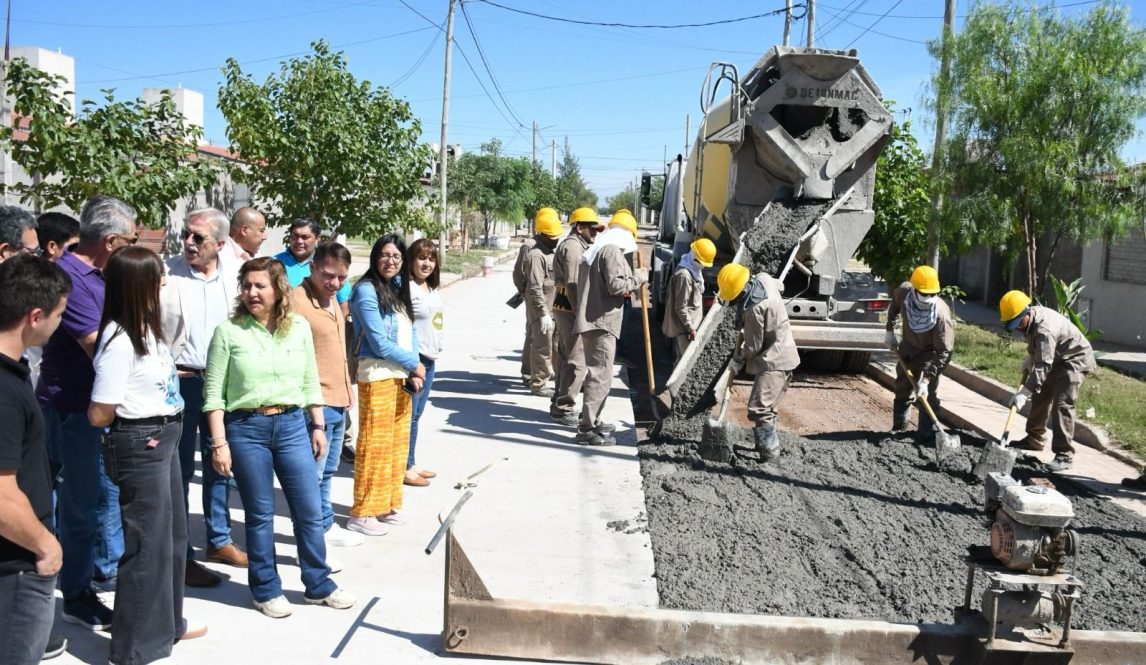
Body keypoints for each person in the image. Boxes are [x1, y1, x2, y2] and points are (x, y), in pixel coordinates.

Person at [203, 257, 355, 618]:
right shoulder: (229, 332)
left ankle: (318, 584)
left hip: (292, 426)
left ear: (278, 290)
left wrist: (317, 425)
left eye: (260, 286)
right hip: (246, 429)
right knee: (259, 514)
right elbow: (213, 396)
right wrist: (219, 443)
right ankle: (266, 589)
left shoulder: (298, 327)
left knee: (307, 510)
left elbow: (308, 378)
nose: (252, 292)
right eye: (247, 286)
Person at [88, 246, 206, 664]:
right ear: (139, 284)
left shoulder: (148, 328)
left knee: (172, 537)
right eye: (157, 276)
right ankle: (134, 648)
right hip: (141, 442)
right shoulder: (120, 341)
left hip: (165, 435)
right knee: (146, 546)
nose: (164, 282)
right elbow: (100, 412)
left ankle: (166, 626)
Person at [37, 195, 134, 630]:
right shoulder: (71, 278)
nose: (133, 248)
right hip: (75, 407)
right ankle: (76, 593)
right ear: (111, 241)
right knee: (82, 502)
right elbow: (100, 347)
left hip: (93, 404)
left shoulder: (100, 274)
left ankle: (91, 569)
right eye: (130, 241)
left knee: (94, 497)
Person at [161, 208, 246, 588]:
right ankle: (180, 554)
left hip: (223, 385)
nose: (189, 243)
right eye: (186, 235)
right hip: (180, 383)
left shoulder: (235, 277)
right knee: (178, 470)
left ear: (221, 244)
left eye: (199, 238)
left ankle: (219, 539)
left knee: (220, 464)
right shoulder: (167, 274)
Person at [0, 255, 70, 665]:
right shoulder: (5, 392)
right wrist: (45, 547)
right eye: (59, 315)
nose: (61, 323)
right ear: (35, 315)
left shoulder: (14, 374)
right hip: (15, 565)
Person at [347, 234, 424, 537]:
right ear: (374, 257)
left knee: (395, 445)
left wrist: (414, 370)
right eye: (384, 254)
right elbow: (378, 342)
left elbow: (410, 333)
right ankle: (362, 512)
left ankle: (386, 504)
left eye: (396, 256)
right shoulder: (366, 291)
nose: (390, 261)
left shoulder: (397, 290)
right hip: (378, 374)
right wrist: (414, 364)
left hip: (402, 376)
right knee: (373, 446)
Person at [293, 242, 363, 550]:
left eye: (342, 278)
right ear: (312, 268)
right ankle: (310, 535)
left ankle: (324, 524)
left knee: (328, 471)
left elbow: (337, 348)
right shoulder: (296, 302)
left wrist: (348, 388)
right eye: (328, 275)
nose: (334, 283)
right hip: (314, 404)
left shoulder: (332, 300)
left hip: (338, 400)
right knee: (311, 475)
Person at [999, 290, 1096, 472]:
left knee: (1062, 403)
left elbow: (1043, 365)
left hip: (1074, 360)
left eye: (1018, 323)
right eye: (1013, 325)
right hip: (1056, 358)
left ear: (1025, 313)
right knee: (1041, 395)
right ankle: (1034, 439)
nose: (1018, 328)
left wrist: (1023, 394)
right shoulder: (1030, 319)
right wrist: (1030, 357)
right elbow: (1037, 347)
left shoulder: (1045, 329)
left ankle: (1064, 456)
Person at [572, 210, 646, 446]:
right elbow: (616, 287)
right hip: (602, 322)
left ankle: (594, 419)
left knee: (599, 375)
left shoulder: (595, 250)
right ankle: (587, 430)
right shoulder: (611, 251)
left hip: (593, 320)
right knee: (600, 377)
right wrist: (639, 278)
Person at [717, 264, 800, 460]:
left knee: (759, 408)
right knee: (768, 407)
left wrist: (737, 360)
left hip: (775, 361)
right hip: (785, 352)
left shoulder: (753, 309)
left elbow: (753, 346)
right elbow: (780, 286)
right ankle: (765, 445)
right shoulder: (762, 278)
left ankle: (769, 453)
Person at [884, 265, 955, 443]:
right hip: (907, 350)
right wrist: (890, 331)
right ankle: (899, 429)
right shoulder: (904, 292)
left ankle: (925, 434)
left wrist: (926, 379)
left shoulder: (941, 316)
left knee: (927, 395)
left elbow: (944, 352)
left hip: (929, 355)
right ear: (914, 289)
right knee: (902, 388)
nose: (928, 297)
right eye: (924, 293)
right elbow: (894, 307)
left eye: (932, 294)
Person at [550, 208, 602, 427]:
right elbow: (573, 284)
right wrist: (580, 313)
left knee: (566, 357)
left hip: (565, 307)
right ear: (580, 227)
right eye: (592, 229)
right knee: (576, 361)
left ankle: (558, 402)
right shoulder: (573, 247)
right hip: (570, 308)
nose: (595, 233)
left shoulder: (577, 245)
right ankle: (564, 407)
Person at [404, 238, 442, 487]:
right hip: (415, 361)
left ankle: (411, 461)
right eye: (421, 258)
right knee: (407, 416)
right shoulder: (407, 288)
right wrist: (410, 364)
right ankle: (404, 467)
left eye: (430, 258)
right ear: (411, 261)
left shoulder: (430, 287)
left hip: (430, 359)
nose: (426, 263)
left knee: (416, 416)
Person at [523, 211, 564, 398]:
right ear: (541, 235)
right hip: (542, 312)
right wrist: (542, 313)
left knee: (555, 347)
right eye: (552, 237)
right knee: (542, 348)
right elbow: (534, 287)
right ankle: (538, 383)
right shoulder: (536, 256)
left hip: (554, 309)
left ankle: (554, 378)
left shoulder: (552, 253)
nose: (556, 240)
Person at [513, 208, 555, 386]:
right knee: (534, 337)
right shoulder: (530, 246)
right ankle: (529, 374)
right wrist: (525, 292)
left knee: (539, 336)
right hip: (535, 297)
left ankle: (536, 370)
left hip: (546, 298)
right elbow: (518, 273)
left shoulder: (548, 245)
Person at [275, 218, 351, 312]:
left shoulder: (329, 264)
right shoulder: (274, 263)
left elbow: (343, 304)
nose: (299, 241)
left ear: (317, 239)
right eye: (294, 236)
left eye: (305, 237)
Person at [662, 238, 715, 361]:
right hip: (685, 330)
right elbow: (680, 307)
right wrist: (690, 328)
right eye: (700, 262)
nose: (702, 266)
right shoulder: (684, 276)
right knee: (684, 363)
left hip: (690, 328)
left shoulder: (694, 271)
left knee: (682, 362)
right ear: (694, 257)